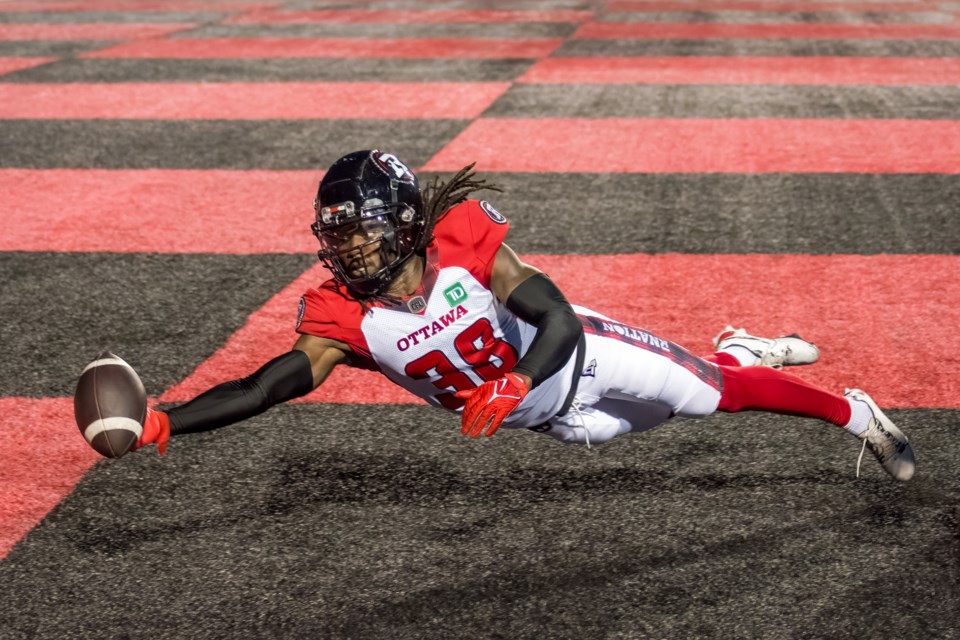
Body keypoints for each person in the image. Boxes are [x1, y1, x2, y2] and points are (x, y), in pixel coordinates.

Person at [135, 149, 915, 481]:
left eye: (363, 230)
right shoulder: (341, 314)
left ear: (404, 221)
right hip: (558, 422)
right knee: (681, 408)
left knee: (714, 397)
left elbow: (561, 320)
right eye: (339, 236)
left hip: (581, 359)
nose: (352, 250)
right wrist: (166, 421)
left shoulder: (463, 239)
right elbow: (266, 387)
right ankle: (742, 352)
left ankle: (854, 413)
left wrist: (513, 380)